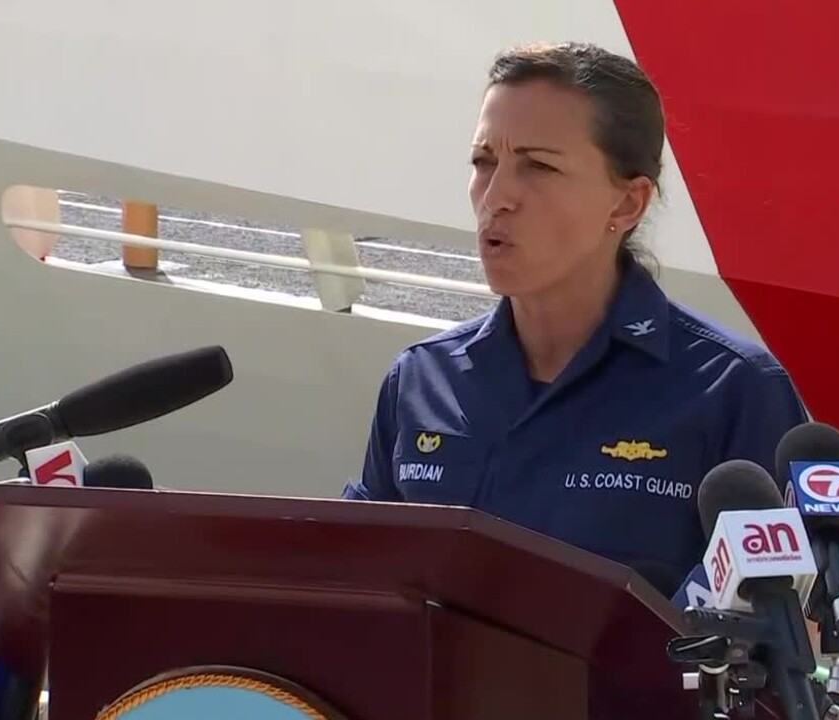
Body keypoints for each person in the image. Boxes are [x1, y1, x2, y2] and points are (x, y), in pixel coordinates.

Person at [342, 41, 808, 596]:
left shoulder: (734, 390)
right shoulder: (418, 381)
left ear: (627, 204)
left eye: (538, 166)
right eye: (483, 162)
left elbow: (791, 624)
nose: (497, 196)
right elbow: (354, 581)